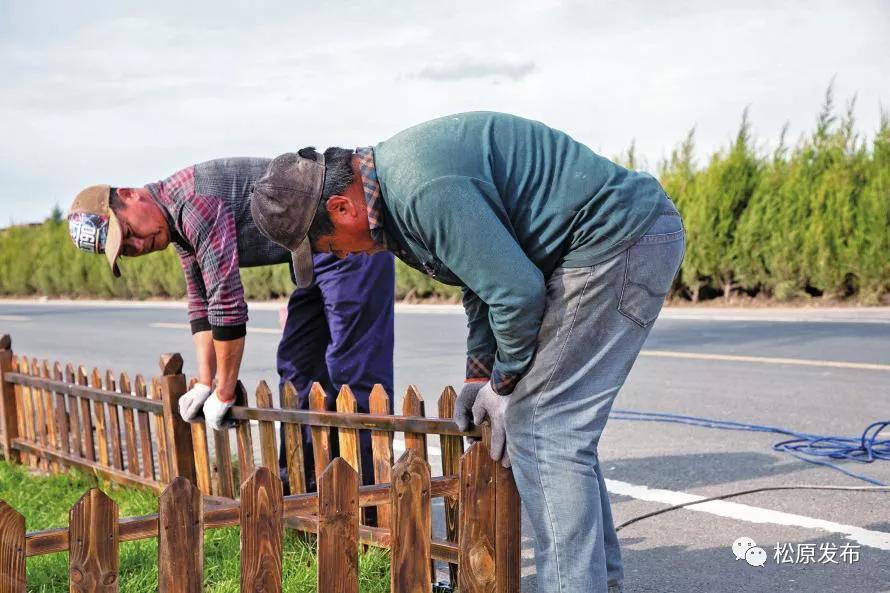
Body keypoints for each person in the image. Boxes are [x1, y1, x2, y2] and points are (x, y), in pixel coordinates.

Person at [250, 113, 685, 593]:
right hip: (608, 242)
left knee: (544, 430)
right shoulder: (392, 197)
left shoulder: (419, 190)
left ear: (341, 207)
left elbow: (517, 293)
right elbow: (482, 279)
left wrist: (505, 382)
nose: (342, 257)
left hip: (617, 239)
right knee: (556, 428)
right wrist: (480, 375)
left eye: (328, 246)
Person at [66, 157, 394, 492]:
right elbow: (201, 303)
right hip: (313, 253)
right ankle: (305, 489)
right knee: (297, 366)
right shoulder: (175, 223)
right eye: (127, 250)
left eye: (130, 233)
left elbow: (227, 302)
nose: (139, 245)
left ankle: (369, 496)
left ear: (130, 195)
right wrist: (205, 383)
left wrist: (224, 391)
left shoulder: (194, 203)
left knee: (354, 368)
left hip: (349, 236)